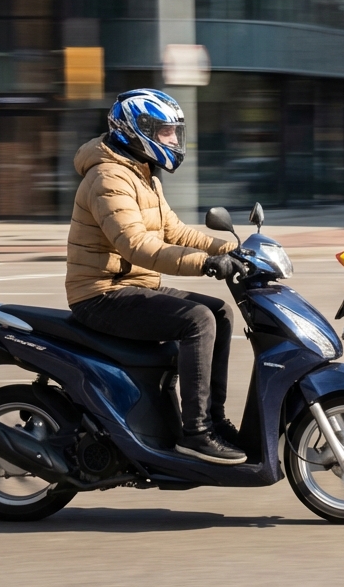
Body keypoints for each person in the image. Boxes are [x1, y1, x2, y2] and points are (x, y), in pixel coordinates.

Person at [65, 89, 248, 465]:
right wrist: (204, 264)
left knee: (221, 312)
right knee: (198, 320)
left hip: (133, 287)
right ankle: (197, 433)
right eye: (166, 132)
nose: (173, 141)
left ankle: (214, 420)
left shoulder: (142, 173)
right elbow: (136, 246)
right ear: (136, 130)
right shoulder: (108, 178)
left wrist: (232, 250)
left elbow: (174, 231)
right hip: (101, 294)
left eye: (174, 133)